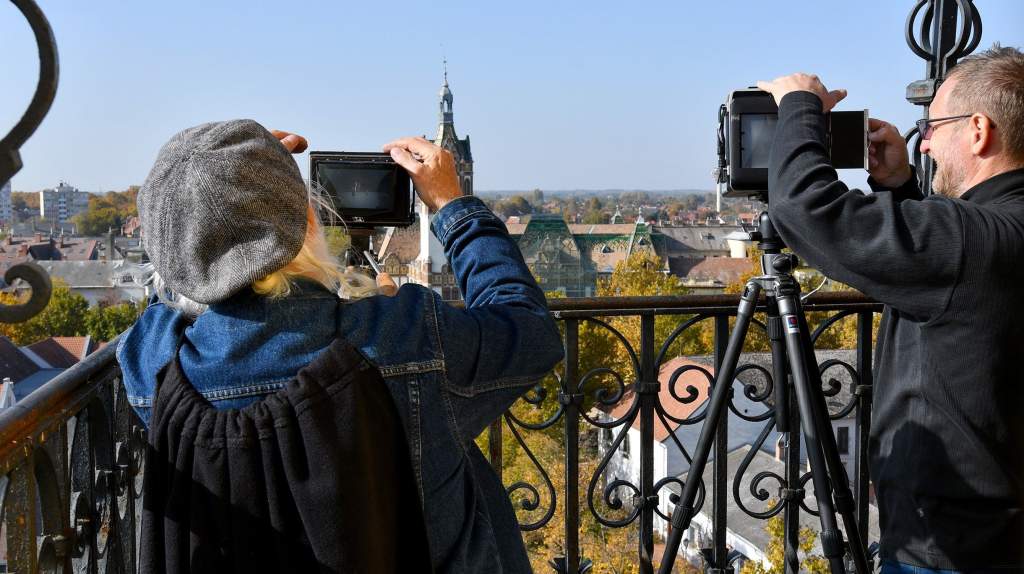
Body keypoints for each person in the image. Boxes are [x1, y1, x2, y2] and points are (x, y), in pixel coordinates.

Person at [117, 119, 564, 572]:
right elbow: (528, 330)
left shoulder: (155, 364)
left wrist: (214, 194)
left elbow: (170, 295)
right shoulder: (407, 336)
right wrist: (453, 205)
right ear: (310, 217)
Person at [755, 45, 1024, 572]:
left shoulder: (972, 240)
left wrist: (799, 110)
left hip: (948, 546)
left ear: (978, 130)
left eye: (933, 124)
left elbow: (809, 212)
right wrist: (900, 188)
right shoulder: (997, 230)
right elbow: (945, 280)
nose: (923, 143)